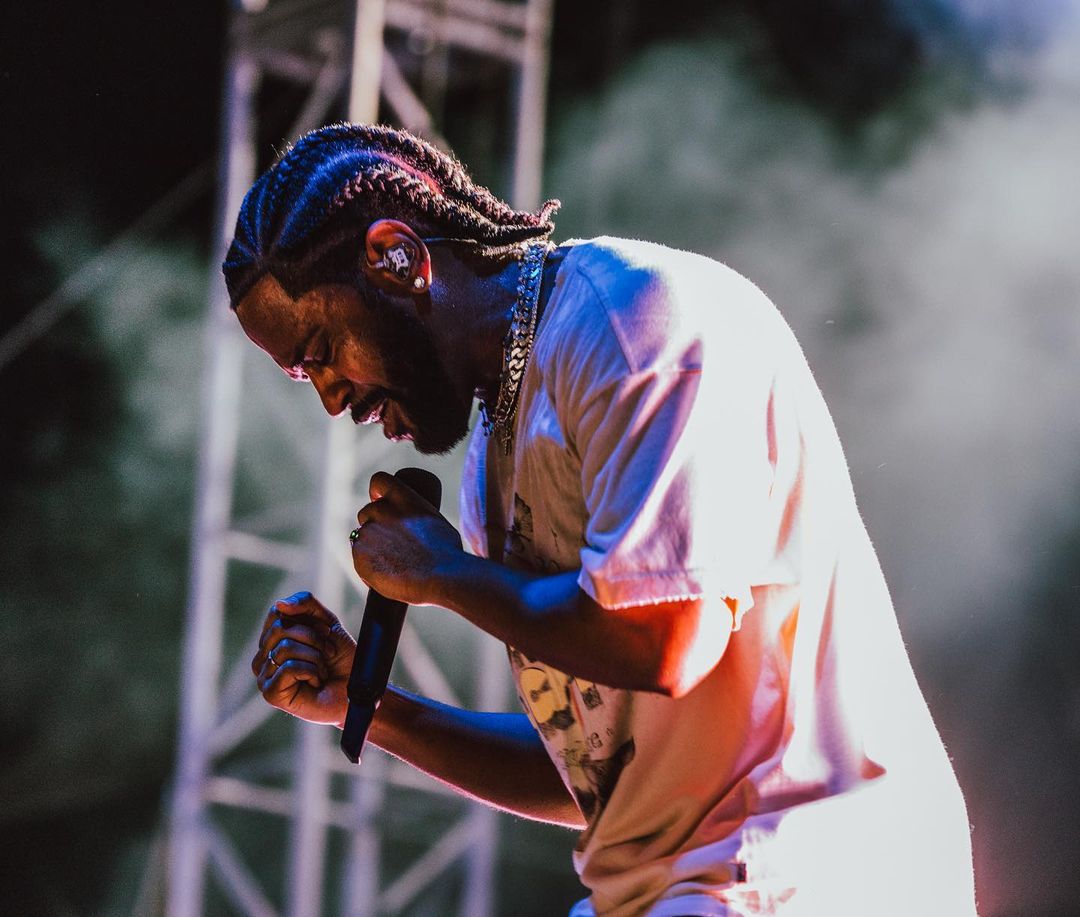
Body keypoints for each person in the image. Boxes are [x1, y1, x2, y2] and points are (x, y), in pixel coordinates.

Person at [225, 123, 978, 916]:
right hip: (682, 885)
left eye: (319, 351)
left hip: (797, 870)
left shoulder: (634, 322)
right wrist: (370, 704)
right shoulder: (494, 451)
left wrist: (442, 571)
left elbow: (664, 640)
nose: (331, 399)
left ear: (396, 256)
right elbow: (597, 769)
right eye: (301, 374)